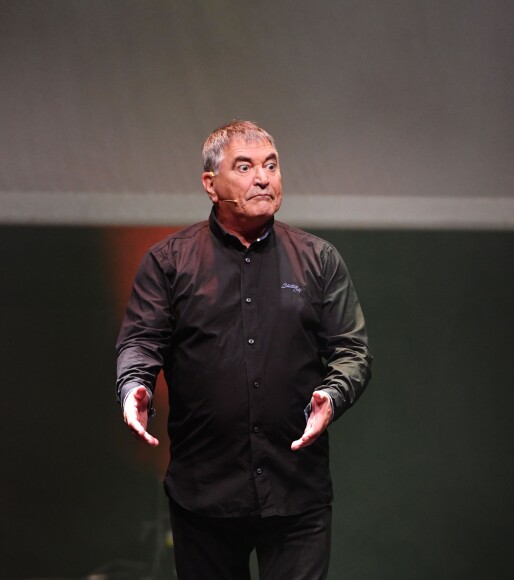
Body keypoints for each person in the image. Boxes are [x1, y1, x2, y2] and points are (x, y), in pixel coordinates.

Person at [116, 120, 372, 579]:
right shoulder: (169, 263)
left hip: (296, 493)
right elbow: (140, 341)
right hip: (204, 495)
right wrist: (135, 385)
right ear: (211, 185)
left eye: (271, 166)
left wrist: (332, 395)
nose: (263, 178)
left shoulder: (318, 259)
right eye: (246, 166)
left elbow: (352, 350)